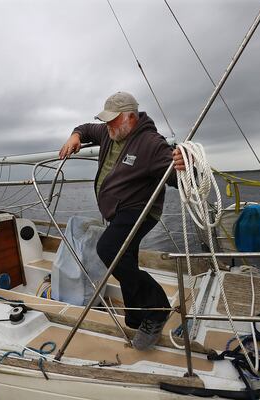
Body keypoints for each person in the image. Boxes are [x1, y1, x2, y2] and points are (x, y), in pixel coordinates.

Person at [59, 91, 186, 350]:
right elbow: (84, 128)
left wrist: (185, 164)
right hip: (117, 212)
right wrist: (75, 136)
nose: (108, 125)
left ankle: (157, 308)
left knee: (108, 250)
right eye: (106, 121)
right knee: (124, 259)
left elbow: (177, 178)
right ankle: (137, 316)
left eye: (113, 120)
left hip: (139, 210)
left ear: (130, 117)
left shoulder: (152, 144)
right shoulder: (109, 132)